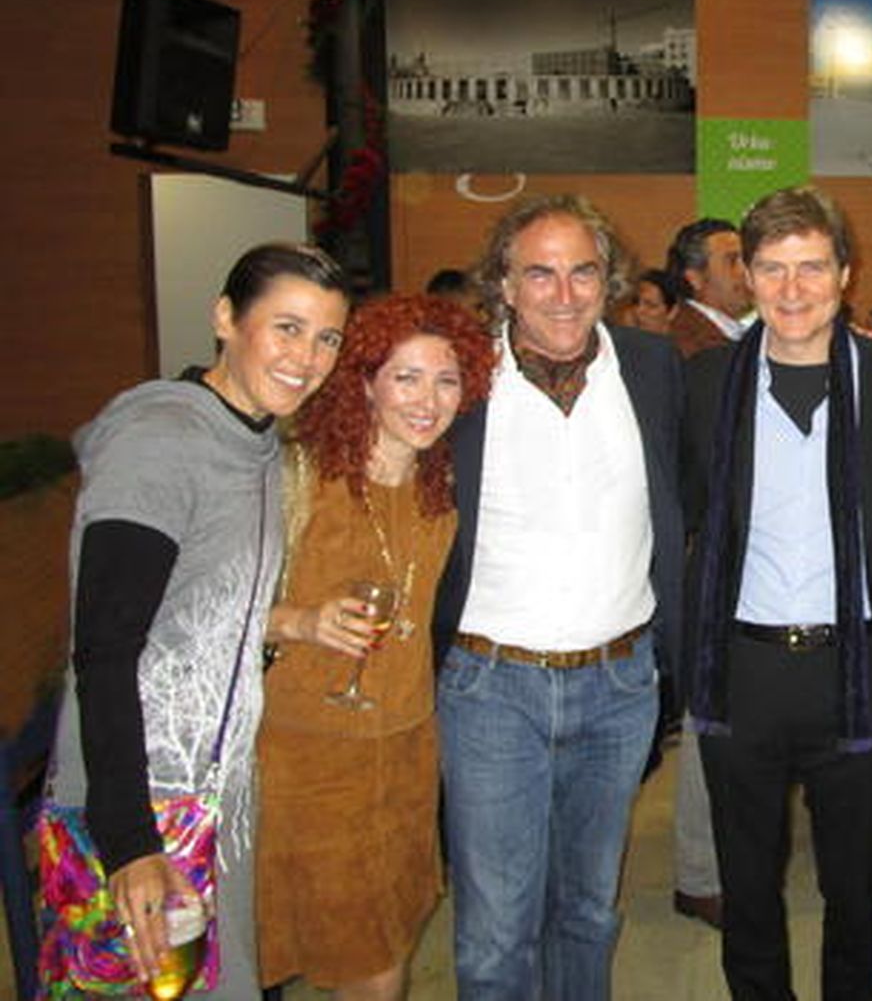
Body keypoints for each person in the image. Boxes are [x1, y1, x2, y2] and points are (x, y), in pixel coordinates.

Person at [45, 243, 350, 997]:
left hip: (215, 791)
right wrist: (128, 844)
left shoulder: (256, 446)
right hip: (139, 802)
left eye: (327, 338)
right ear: (224, 318)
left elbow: (199, 606)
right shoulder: (159, 442)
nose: (305, 357)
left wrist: (295, 623)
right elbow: (106, 647)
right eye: (286, 327)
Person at [432, 194, 684, 1001]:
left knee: (588, 911)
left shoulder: (651, 366)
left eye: (583, 271)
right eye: (539, 272)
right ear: (502, 283)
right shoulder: (459, 378)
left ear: (607, 279)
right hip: (490, 688)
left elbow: (691, 498)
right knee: (497, 932)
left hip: (618, 687)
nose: (564, 293)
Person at [684, 185, 872, 1000]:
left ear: (846, 274)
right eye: (772, 269)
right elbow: (683, 507)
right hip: (743, 669)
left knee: (856, 890)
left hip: (855, 668)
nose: (793, 290)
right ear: (746, 277)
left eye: (812, 268)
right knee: (748, 886)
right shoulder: (706, 383)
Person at [255, 294, 494, 1000]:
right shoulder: (298, 479)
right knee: (355, 959)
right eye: (407, 378)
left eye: (447, 380)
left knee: (388, 937)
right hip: (306, 758)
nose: (429, 400)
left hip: (410, 750)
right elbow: (204, 606)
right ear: (363, 382)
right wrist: (299, 621)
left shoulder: (446, 487)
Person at [666, 216, 751, 357]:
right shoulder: (690, 345)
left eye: (745, 260)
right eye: (732, 260)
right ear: (695, 278)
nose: (745, 271)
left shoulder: (735, 334)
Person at [631, 267, 681, 337]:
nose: (638, 311)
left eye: (651, 305)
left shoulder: (683, 345)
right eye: (636, 302)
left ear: (672, 312)